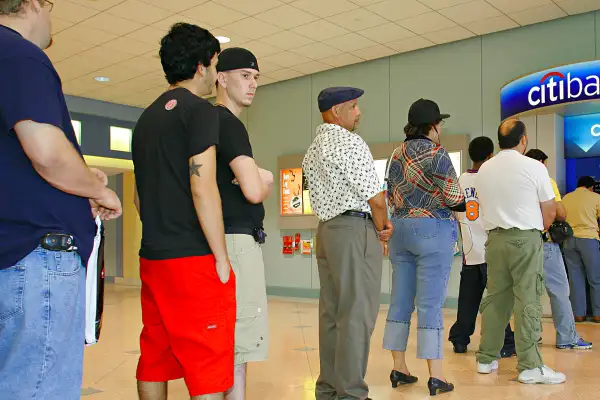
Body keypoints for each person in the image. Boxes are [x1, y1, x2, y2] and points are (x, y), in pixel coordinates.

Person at [0, 1, 123, 399]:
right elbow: (48, 153)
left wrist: (83, 182)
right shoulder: (18, 53)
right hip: (34, 260)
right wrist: (98, 189)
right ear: (34, 3)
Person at [131, 23, 235, 400]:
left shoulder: (146, 119)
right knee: (207, 360)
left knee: (154, 354)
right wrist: (221, 256)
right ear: (201, 65)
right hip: (191, 258)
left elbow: (139, 198)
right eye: (215, 63)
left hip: (153, 257)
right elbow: (202, 185)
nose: (215, 73)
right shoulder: (201, 112)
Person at [302, 86, 392, 400]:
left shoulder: (314, 148)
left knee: (331, 314)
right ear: (337, 111)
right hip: (355, 231)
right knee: (357, 314)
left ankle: (328, 389)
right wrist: (382, 229)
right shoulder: (349, 142)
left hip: (327, 232)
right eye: (354, 107)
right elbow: (376, 199)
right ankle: (352, 392)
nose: (359, 113)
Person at [475, 119, 565, 385]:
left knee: (496, 299)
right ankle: (530, 365)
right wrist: (537, 230)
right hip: (525, 239)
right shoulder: (534, 167)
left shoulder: (485, 169)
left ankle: (486, 357)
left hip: (494, 240)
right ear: (523, 139)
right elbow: (550, 210)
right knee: (528, 298)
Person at [383, 99, 463, 396]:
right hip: (432, 229)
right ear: (432, 126)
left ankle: (399, 367)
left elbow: (390, 194)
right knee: (430, 303)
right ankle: (437, 376)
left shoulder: (396, 154)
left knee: (400, 299)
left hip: (400, 229)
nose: (440, 129)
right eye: (439, 124)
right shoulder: (436, 153)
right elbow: (454, 198)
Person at [213, 47, 274, 400]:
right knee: (242, 335)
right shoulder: (228, 124)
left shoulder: (209, 121)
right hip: (237, 240)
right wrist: (262, 177)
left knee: (226, 334)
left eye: (255, 78)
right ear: (221, 78)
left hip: (220, 239)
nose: (252, 85)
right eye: (244, 76)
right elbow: (253, 189)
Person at [448, 137, 516, 357]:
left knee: (467, 300)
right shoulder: (491, 179)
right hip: (491, 250)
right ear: (490, 155)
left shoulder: (461, 180)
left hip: (470, 251)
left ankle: (460, 340)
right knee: (497, 300)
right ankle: (506, 342)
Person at [524, 149, 592, 349]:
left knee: (529, 292)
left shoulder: (519, 182)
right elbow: (560, 213)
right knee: (559, 290)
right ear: (541, 162)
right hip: (545, 243)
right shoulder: (545, 180)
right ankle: (567, 337)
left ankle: (531, 338)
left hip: (524, 243)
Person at [562, 176, 600, 322]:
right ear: (590, 187)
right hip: (589, 239)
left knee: (575, 278)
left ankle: (578, 314)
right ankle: (597, 314)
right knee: (595, 278)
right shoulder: (595, 197)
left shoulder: (567, 198)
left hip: (569, 240)